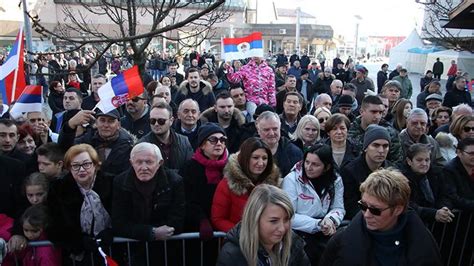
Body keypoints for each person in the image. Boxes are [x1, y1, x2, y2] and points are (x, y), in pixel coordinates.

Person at [320, 169, 443, 266]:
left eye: (375, 210)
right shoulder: (341, 240)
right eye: (363, 206)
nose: (367, 214)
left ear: (398, 209)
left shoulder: (423, 242)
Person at [112, 142, 185, 265]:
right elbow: (119, 222)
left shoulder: (174, 181)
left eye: (149, 162)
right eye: (139, 162)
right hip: (134, 250)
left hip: (167, 250)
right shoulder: (120, 182)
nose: (144, 167)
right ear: (131, 163)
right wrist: (151, 232)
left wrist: (161, 231)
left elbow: (178, 218)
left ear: (160, 163)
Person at [47, 144, 113, 265]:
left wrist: (112, 232)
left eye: (86, 164)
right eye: (76, 166)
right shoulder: (58, 189)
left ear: (95, 165)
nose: (81, 170)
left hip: (111, 252)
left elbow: (122, 217)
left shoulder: (111, 183)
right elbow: (53, 226)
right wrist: (78, 241)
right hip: (76, 257)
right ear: (69, 168)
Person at [216, 184, 310, 266]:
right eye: (274, 221)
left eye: (286, 220)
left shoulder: (294, 246)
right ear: (254, 219)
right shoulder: (232, 255)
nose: (282, 228)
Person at [282, 144, 345, 265]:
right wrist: (317, 224)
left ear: (326, 167)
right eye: (307, 162)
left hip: (325, 228)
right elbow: (288, 216)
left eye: (315, 164)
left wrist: (331, 219)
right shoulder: (292, 180)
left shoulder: (335, 179)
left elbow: (338, 207)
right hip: (298, 231)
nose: (309, 167)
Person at [179, 124, 228, 265]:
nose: (219, 143)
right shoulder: (189, 168)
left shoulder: (231, 168)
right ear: (202, 145)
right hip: (196, 233)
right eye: (213, 139)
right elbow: (185, 199)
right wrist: (201, 219)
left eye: (222, 139)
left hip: (223, 231)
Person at [211, 137, 281, 232]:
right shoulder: (227, 184)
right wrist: (244, 233)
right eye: (255, 158)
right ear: (245, 158)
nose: (261, 163)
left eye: (264, 158)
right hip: (238, 241)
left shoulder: (274, 184)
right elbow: (218, 219)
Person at [59, 109, 134, 176]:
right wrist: (70, 125)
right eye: (102, 120)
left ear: (118, 125)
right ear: (96, 123)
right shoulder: (86, 141)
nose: (106, 125)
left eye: (111, 121)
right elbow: (65, 149)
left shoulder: (128, 146)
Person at [342, 125, 392, 219]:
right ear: (365, 147)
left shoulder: (392, 171)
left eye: (385, 146)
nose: (381, 150)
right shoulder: (350, 171)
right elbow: (350, 207)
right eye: (376, 145)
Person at [400, 144, 454, 224]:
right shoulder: (401, 178)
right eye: (419, 160)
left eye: (427, 160)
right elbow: (407, 205)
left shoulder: (437, 173)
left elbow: (445, 194)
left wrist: (444, 209)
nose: (424, 164)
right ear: (409, 161)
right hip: (414, 223)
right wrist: (433, 213)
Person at [138, 102, 193, 170]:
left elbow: (190, 170)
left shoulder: (184, 142)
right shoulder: (142, 145)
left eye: (161, 121)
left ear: (171, 121)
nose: (156, 124)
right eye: (152, 121)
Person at [348, 95, 401, 164]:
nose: (378, 116)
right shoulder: (349, 131)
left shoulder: (390, 133)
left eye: (380, 112)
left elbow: (396, 161)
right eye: (374, 112)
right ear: (361, 112)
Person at [255, 111, 303, 177]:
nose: (271, 133)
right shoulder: (249, 150)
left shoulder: (294, 152)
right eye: (266, 130)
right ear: (258, 130)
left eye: (275, 129)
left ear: (280, 128)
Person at [443, 138, 474, 211]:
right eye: (471, 153)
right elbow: (453, 198)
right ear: (459, 153)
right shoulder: (449, 170)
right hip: (460, 214)